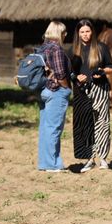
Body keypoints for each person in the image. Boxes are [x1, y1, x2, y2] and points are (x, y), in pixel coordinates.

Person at [70, 19, 112, 173]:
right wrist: (76, 78)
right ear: (78, 33)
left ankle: (103, 158)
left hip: (100, 89)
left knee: (102, 123)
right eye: (82, 32)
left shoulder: (101, 47)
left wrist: (101, 72)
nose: (85, 35)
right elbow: (69, 72)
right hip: (82, 91)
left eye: (87, 31)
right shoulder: (74, 50)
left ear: (92, 32)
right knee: (86, 125)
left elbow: (111, 67)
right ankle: (89, 158)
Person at [37, 22, 72, 172]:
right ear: (59, 33)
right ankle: (52, 164)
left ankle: (46, 163)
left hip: (44, 91)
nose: (65, 35)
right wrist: (66, 88)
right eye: (63, 33)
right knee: (54, 129)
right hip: (56, 91)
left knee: (45, 129)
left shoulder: (42, 48)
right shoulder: (56, 48)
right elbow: (60, 73)